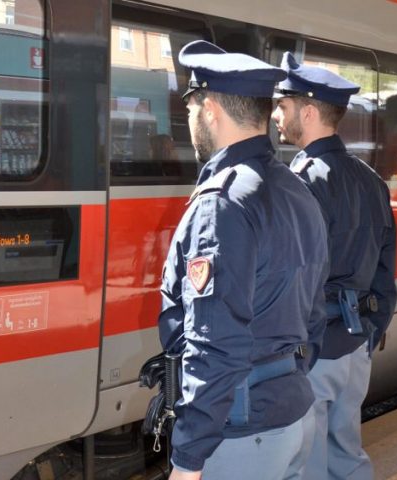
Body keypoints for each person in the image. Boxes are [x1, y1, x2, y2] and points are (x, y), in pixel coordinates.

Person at [158, 41, 329, 480]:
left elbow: (214, 341)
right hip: (291, 414)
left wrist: (188, 458)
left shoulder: (221, 204)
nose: (191, 120)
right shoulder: (296, 190)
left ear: (210, 108)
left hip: (241, 431)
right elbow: (313, 310)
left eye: (192, 108)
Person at [271, 52, 397, 480]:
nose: (275, 116)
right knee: (346, 453)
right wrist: (371, 329)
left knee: (307, 461)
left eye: (282, 107)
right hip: (356, 343)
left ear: (307, 112)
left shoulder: (301, 181)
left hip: (317, 347)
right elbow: (385, 268)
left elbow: (295, 274)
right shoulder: (369, 177)